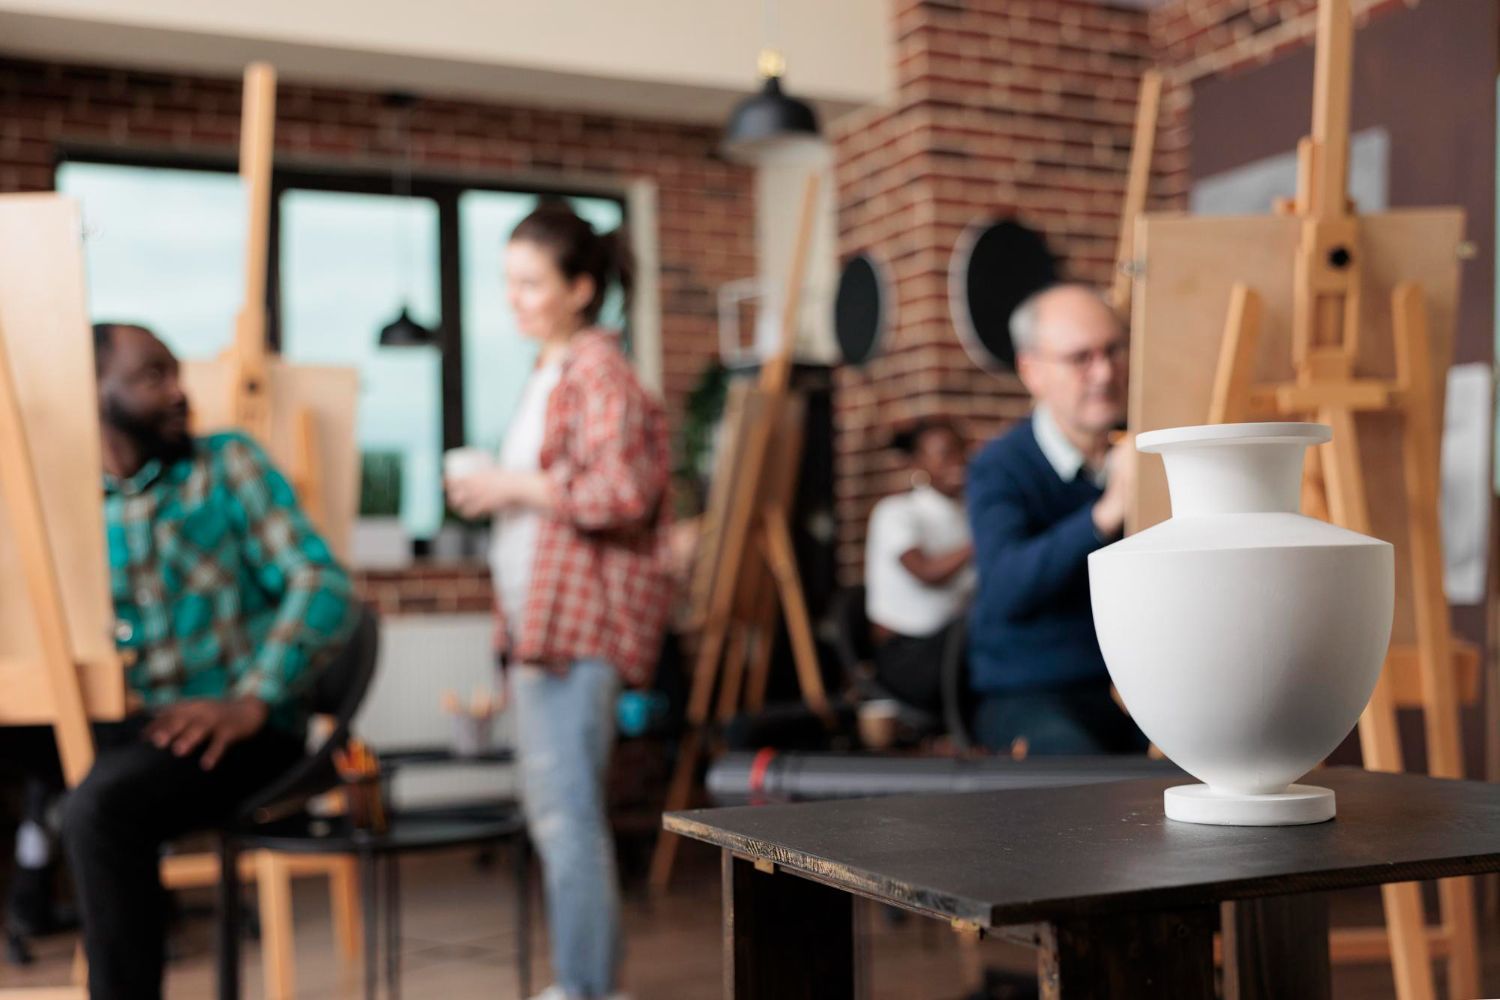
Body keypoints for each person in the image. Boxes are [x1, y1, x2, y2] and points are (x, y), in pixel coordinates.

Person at [56, 322, 359, 999]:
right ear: (92, 391)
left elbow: (322, 583)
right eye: (151, 376)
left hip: (244, 729)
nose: (178, 391)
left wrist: (254, 698)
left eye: (174, 371)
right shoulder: (69, 503)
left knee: (99, 808)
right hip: (125, 726)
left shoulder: (227, 465)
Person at [446, 204, 670, 1000]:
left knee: (566, 815)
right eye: (508, 282)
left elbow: (623, 492)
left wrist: (508, 485)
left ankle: (587, 988)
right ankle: (583, 983)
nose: (514, 298)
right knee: (557, 812)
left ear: (580, 289)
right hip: (542, 626)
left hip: (581, 629)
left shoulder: (597, 371)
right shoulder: (553, 370)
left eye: (531, 283)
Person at [965, 284, 1147, 755]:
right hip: (1032, 691)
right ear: (1032, 371)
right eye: (1080, 358)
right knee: (1083, 778)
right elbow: (1005, 585)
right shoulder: (1000, 467)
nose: (1104, 372)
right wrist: (1105, 513)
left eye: (1113, 350)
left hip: (1138, 689)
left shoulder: (1143, 450)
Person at [863, 418, 974, 716]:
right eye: (945, 453)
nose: (958, 461)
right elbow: (926, 572)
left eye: (961, 450)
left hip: (955, 646)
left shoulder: (967, 515)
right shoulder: (895, 513)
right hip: (909, 657)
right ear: (918, 463)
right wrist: (982, 541)